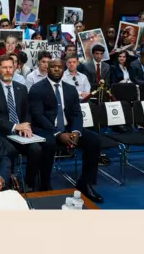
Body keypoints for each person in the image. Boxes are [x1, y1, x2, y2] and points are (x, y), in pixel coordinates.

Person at [29, 59, 103, 202]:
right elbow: (38, 116)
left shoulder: (70, 89)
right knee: (48, 144)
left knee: (94, 140)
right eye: (53, 67)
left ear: (63, 69)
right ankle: (44, 185)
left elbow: (76, 113)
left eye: (59, 67)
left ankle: (85, 182)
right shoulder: (37, 88)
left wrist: (76, 132)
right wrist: (58, 133)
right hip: (46, 128)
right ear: (47, 69)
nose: (56, 69)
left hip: (68, 128)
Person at [0, 55, 46, 191]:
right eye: (4, 67)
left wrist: (26, 125)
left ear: (15, 68)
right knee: (9, 151)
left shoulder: (21, 88)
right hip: (1, 134)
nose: (8, 70)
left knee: (36, 149)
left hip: (20, 132)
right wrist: (14, 126)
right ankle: (9, 183)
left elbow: (27, 111)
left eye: (10, 67)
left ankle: (29, 183)